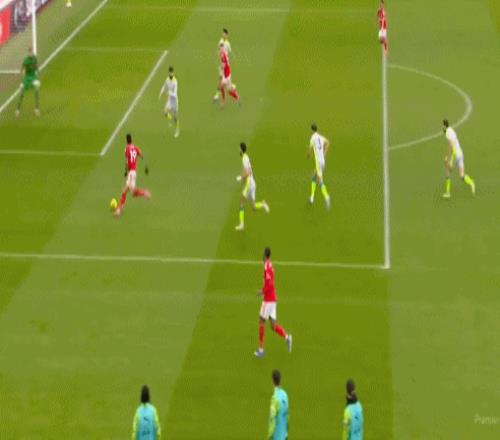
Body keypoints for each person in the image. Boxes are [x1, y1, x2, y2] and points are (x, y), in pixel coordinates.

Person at [254, 247, 292, 357]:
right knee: (273, 326)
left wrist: (262, 291)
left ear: (265, 255)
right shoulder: (269, 264)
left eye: (262, 254)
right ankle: (287, 337)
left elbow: (270, 283)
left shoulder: (267, 266)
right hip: (272, 299)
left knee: (261, 321)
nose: (261, 256)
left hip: (268, 300)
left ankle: (261, 350)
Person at [114, 134, 151, 217]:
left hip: (131, 173)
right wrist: (146, 166)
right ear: (131, 140)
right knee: (124, 191)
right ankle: (119, 210)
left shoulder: (126, 149)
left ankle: (144, 192)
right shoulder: (136, 148)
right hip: (133, 172)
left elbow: (126, 161)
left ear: (126, 140)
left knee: (133, 193)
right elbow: (142, 155)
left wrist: (125, 171)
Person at [235, 142, 269, 231]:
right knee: (253, 207)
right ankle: (263, 204)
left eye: (239, 148)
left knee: (241, 203)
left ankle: (242, 225)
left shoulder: (244, 158)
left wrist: (241, 177)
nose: (238, 149)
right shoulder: (246, 157)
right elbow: (248, 168)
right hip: (252, 183)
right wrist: (242, 175)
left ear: (241, 149)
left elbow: (248, 171)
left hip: (249, 184)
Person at [442, 119, 475, 199]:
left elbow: (451, 145)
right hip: (460, 154)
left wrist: (448, 158)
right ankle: (471, 182)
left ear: (444, 125)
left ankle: (448, 193)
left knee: (448, 170)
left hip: (455, 155)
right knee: (462, 176)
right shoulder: (451, 130)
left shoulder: (448, 133)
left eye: (442, 125)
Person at [307, 123, 331, 209]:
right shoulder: (320, 137)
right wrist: (324, 153)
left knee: (320, 181)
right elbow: (327, 142)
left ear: (311, 130)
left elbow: (310, 148)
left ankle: (327, 197)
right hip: (322, 161)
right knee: (313, 178)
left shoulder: (313, 138)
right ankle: (312, 198)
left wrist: (308, 155)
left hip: (318, 163)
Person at [16, 47, 40, 117]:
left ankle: (36, 109)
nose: (31, 54)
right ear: (28, 53)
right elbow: (22, 69)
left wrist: (37, 71)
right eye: (30, 53)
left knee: (36, 90)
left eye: (31, 52)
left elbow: (36, 66)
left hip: (33, 77)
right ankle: (17, 110)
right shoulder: (26, 60)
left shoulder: (35, 58)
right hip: (27, 78)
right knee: (22, 93)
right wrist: (22, 73)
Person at [158, 66, 180, 138]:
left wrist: (169, 93)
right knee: (165, 112)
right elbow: (164, 87)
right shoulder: (167, 79)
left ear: (173, 73)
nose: (170, 74)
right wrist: (161, 93)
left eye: (171, 72)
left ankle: (177, 130)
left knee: (175, 117)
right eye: (170, 72)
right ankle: (170, 120)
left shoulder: (175, 82)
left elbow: (175, 94)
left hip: (175, 101)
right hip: (170, 100)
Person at [268, 370, 289, 440]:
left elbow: (272, 420)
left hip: (276, 437)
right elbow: (287, 416)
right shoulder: (285, 395)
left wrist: (269, 436)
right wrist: (286, 433)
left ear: (272, 381)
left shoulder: (274, 399)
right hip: (284, 435)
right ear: (280, 380)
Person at [213, 28, 232, 102]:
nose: (223, 35)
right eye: (223, 33)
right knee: (220, 79)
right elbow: (218, 48)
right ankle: (218, 94)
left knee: (223, 79)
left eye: (225, 34)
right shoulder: (220, 41)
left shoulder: (228, 43)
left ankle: (219, 94)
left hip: (225, 63)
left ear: (227, 35)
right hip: (222, 63)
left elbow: (229, 51)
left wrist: (224, 58)